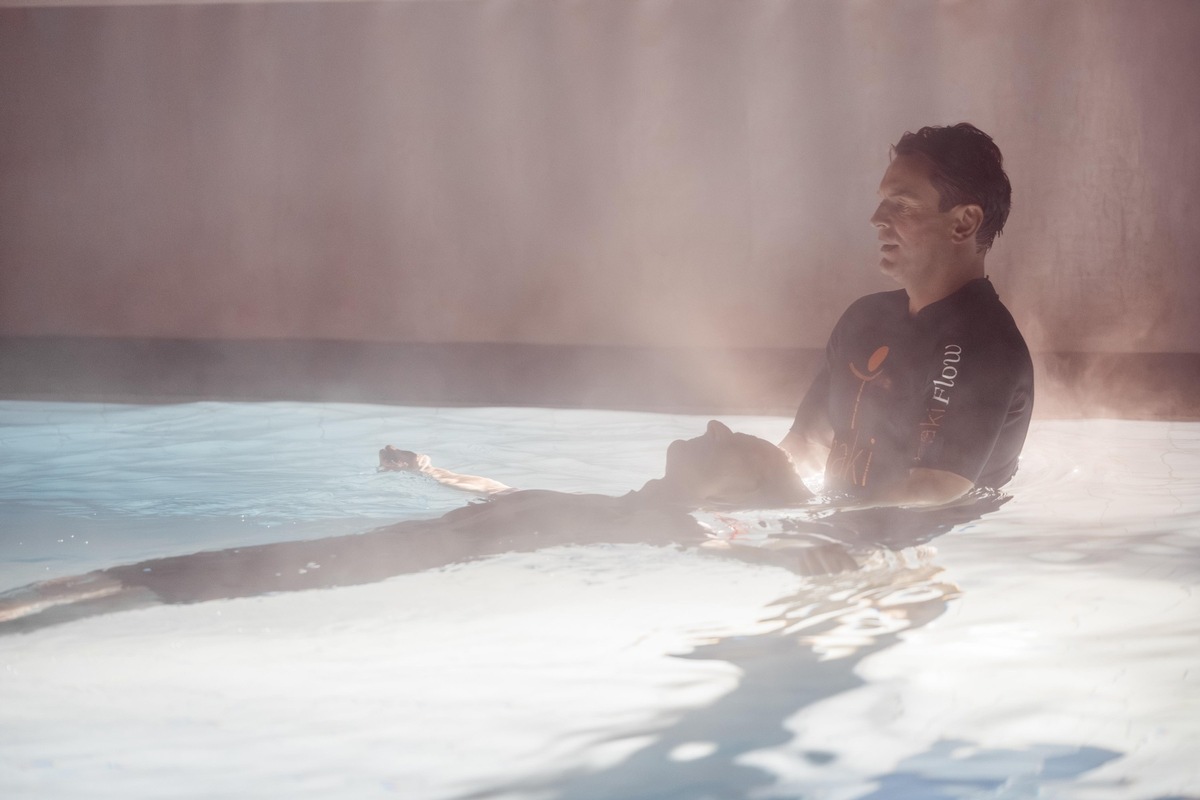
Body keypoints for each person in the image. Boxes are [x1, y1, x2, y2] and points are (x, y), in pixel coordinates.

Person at [780, 123, 1033, 507]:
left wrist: (805, 521)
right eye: (882, 201)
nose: (876, 218)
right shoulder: (863, 319)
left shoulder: (989, 347)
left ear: (964, 222)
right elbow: (804, 446)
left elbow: (930, 492)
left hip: (926, 541)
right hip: (841, 527)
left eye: (901, 203)